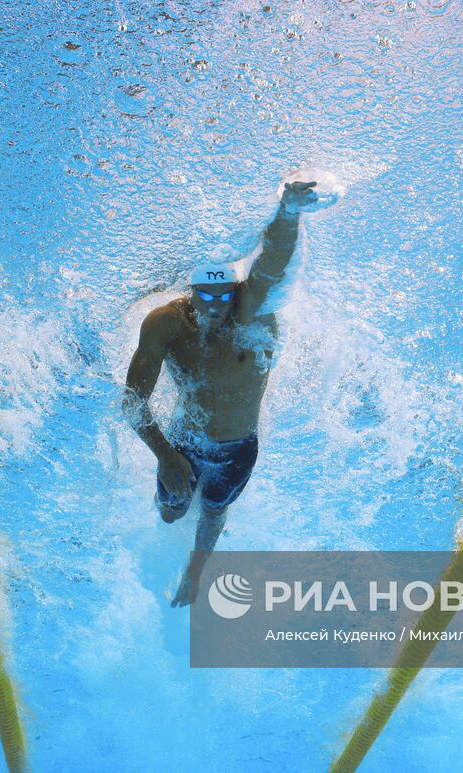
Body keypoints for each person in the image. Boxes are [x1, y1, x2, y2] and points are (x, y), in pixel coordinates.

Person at [123, 180, 320, 607]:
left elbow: (272, 264)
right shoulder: (166, 323)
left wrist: (289, 211)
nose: (215, 305)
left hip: (237, 448)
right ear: (189, 290)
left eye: (224, 294)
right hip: (184, 442)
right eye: (205, 295)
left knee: (213, 512)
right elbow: (132, 401)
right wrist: (166, 456)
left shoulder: (248, 312)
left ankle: (195, 575)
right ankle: (173, 511)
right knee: (170, 510)